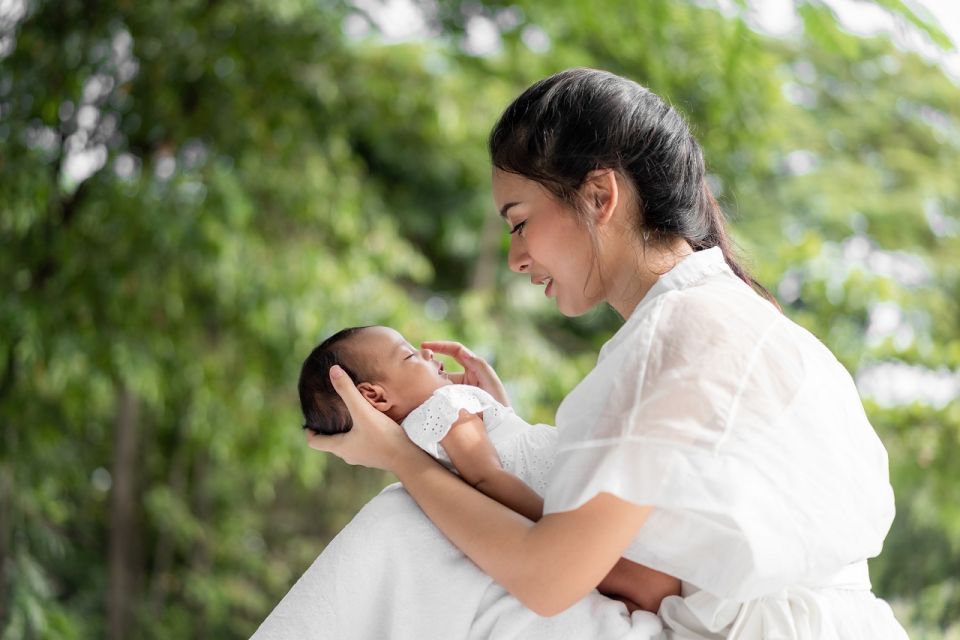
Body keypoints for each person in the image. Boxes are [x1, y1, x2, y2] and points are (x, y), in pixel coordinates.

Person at [301, 68, 909, 639]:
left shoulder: (678, 333)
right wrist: (514, 439)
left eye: (519, 222)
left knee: (408, 532)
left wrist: (402, 457)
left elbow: (548, 578)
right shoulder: (723, 315)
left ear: (598, 196)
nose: (516, 258)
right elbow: (645, 559)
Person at [297, 324, 681, 613]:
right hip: (555, 496)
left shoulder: (421, 448)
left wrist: (496, 409)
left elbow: (492, 454)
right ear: (374, 396)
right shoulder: (444, 405)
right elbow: (488, 475)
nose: (428, 356)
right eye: (410, 356)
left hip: (555, 501)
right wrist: (550, 523)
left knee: (640, 576)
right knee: (648, 563)